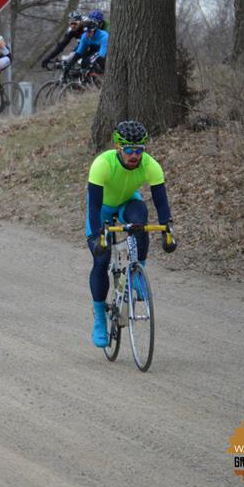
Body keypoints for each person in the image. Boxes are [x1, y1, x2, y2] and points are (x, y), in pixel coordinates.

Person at [85, 120, 177, 348]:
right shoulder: (102, 164)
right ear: (118, 147)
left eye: (139, 150)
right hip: (102, 209)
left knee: (140, 221)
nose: (134, 155)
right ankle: (99, 318)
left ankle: (137, 273)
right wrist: (98, 236)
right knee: (102, 259)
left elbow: (161, 201)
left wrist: (167, 229)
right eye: (128, 150)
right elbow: (94, 206)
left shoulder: (150, 165)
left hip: (128, 202)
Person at [68, 11, 108, 76]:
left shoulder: (104, 36)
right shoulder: (84, 36)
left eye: (89, 32)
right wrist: (70, 64)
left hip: (103, 52)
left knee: (89, 63)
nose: (87, 34)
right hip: (94, 50)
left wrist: (91, 66)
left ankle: (99, 77)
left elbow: (102, 56)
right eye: (86, 32)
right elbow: (79, 52)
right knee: (83, 63)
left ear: (94, 30)